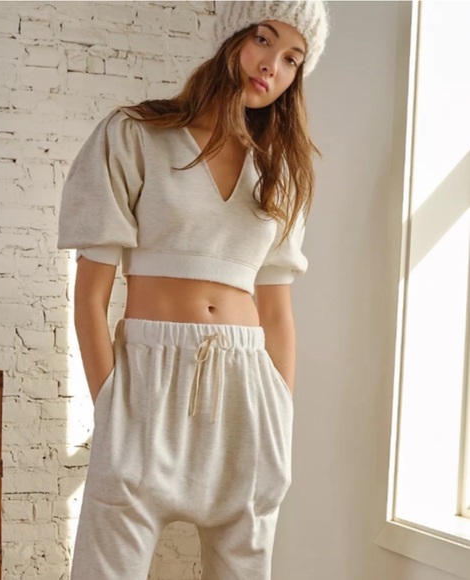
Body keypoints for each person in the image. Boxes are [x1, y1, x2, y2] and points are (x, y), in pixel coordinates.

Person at [58, 1, 329, 578]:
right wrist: (111, 402)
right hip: (146, 376)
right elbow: (89, 297)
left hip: (247, 386)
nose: (272, 66)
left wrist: (279, 412)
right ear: (233, 35)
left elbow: (277, 312)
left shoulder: (281, 170)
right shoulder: (134, 135)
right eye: (264, 39)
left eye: (292, 58)